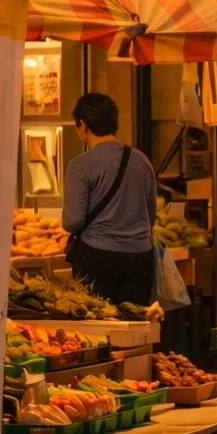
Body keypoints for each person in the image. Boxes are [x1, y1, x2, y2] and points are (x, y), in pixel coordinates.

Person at [63, 93, 158, 306]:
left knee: (97, 329)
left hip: (97, 259)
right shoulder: (142, 160)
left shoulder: (81, 166)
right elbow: (150, 215)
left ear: (83, 126)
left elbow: (72, 222)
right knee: (133, 328)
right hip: (139, 258)